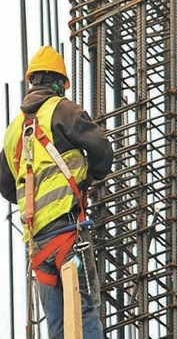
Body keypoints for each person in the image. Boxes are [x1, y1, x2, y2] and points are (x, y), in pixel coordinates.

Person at [0, 45, 113, 338]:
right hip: (68, 231)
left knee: (58, 326)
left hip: (38, 246)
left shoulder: (13, 132)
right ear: (58, 82)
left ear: (32, 82)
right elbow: (102, 150)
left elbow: (5, 185)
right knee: (85, 309)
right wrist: (88, 177)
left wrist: (32, 201)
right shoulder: (62, 110)